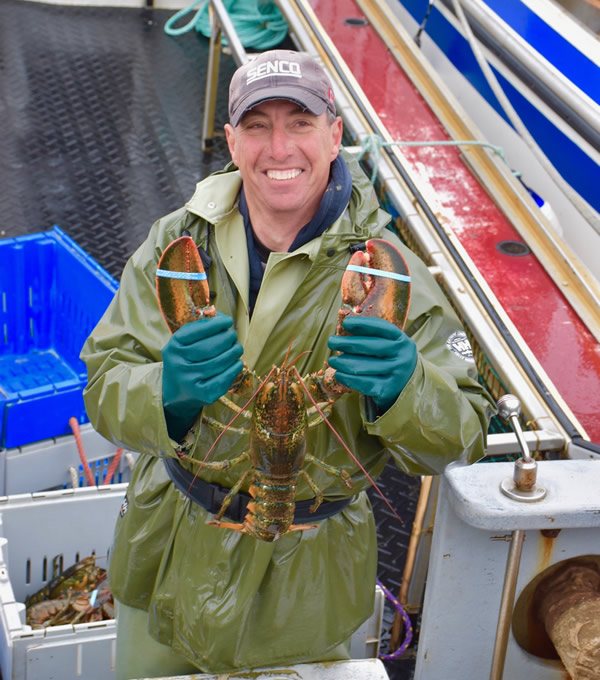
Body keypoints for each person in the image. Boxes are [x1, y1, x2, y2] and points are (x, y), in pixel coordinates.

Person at [81, 49, 495, 679]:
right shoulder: (174, 243)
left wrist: (406, 389)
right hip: (167, 546)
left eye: (300, 123)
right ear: (232, 140)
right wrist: (165, 393)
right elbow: (105, 384)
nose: (279, 147)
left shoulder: (387, 270)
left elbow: (463, 436)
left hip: (308, 582)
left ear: (335, 136)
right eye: (257, 125)